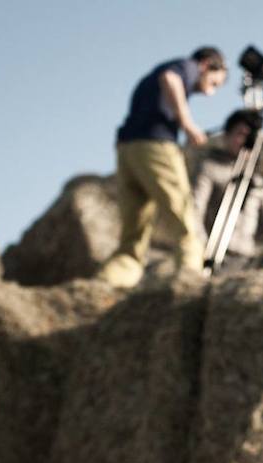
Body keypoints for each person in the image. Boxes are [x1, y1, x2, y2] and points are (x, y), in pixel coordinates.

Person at [98, 47, 229, 289]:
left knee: (133, 235)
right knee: (184, 219)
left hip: (128, 149)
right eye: (214, 83)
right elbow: (170, 79)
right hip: (155, 146)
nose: (210, 92)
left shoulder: (157, 74)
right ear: (207, 64)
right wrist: (187, 124)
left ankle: (108, 283)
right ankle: (191, 283)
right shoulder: (186, 66)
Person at [192, 109, 263, 268]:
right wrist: (201, 248)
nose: (245, 141)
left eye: (250, 136)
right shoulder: (210, 169)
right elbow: (194, 210)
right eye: (240, 134)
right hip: (216, 253)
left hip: (247, 256)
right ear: (226, 135)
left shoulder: (256, 180)